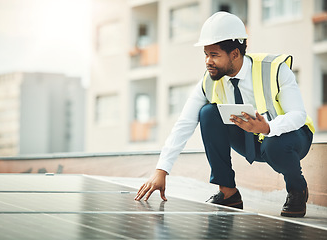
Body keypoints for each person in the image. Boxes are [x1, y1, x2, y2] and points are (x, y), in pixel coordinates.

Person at [134, 11, 314, 218]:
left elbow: (298, 115)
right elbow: (184, 123)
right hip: (250, 139)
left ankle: (297, 189)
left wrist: (267, 128)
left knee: (273, 143)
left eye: (214, 55)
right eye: (206, 54)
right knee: (208, 113)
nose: (208, 61)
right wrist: (161, 170)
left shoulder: (275, 69)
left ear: (235, 54)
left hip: (291, 138)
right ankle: (228, 192)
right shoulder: (209, 80)